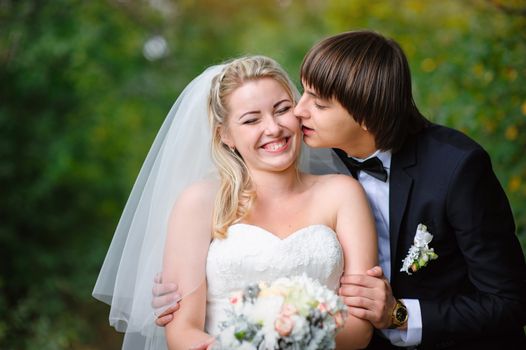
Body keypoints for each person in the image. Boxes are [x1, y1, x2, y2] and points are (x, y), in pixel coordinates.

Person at [155, 31, 526, 349]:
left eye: (316, 103)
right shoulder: (322, 152)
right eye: (300, 96)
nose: (296, 115)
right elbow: (185, 320)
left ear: (365, 114)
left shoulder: (455, 168)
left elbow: (510, 303)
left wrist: (398, 314)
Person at [94, 55, 378, 349]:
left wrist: (294, 341)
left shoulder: (343, 193)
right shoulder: (199, 203)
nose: (273, 128)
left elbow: (359, 327)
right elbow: (182, 332)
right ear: (225, 134)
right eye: (252, 120)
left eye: (282, 110)